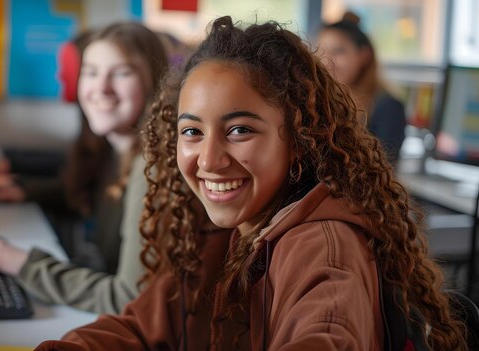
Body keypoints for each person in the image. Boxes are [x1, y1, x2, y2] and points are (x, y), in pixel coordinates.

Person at [34, 16, 466, 350]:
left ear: (298, 140)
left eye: (239, 130)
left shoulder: (324, 248)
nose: (208, 160)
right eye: (191, 131)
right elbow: (141, 328)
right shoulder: (223, 230)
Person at [0, 21, 169, 315]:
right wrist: (21, 191)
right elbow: (86, 196)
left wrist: (24, 264)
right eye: (91, 72)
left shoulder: (152, 171)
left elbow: (129, 298)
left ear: (154, 83)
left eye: (122, 73)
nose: (101, 88)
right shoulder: (114, 152)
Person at [316, 12, 406, 165]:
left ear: (364, 56)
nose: (327, 60)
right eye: (321, 50)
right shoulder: (317, 101)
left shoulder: (387, 106)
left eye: (339, 51)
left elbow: (382, 166)